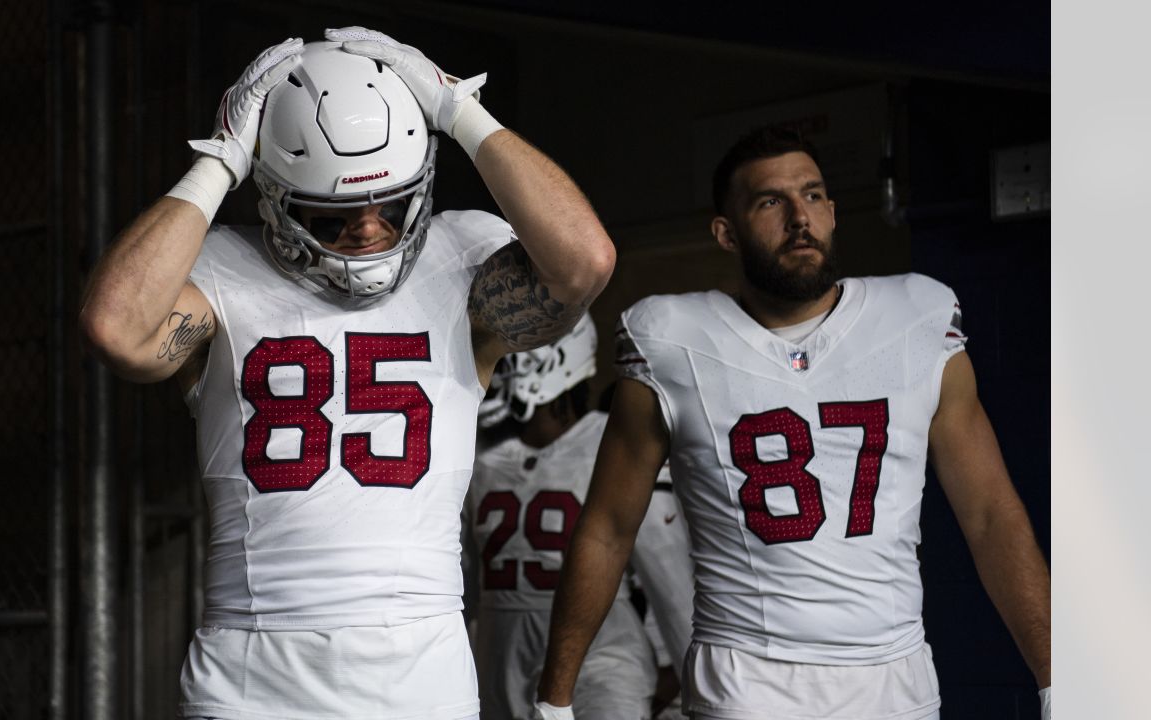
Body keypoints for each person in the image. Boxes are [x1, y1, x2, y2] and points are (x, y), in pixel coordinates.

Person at [79, 27, 615, 720]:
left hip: (420, 675)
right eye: (333, 216)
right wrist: (218, 163)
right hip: (251, 677)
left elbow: (585, 263)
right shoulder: (219, 270)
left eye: (390, 206)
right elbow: (114, 329)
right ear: (273, 196)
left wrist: (459, 110)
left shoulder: (459, 262)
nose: (367, 230)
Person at [532, 126, 1051, 720]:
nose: (799, 218)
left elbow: (991, 517)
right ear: (726, 233)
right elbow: (607, 530)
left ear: (833, 211)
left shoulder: (916, 317)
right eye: (771, 202)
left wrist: (1056, 674)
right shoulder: (672, 340)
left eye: (812, 195)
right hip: (745, 682)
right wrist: (555, 699)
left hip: (894, 680)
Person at [464, 314, 691, 720]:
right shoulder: (482, 455)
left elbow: (664, 565)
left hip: (599, 656)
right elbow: (465, 583)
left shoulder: (609, 437)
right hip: (499, 657)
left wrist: (681, 666)